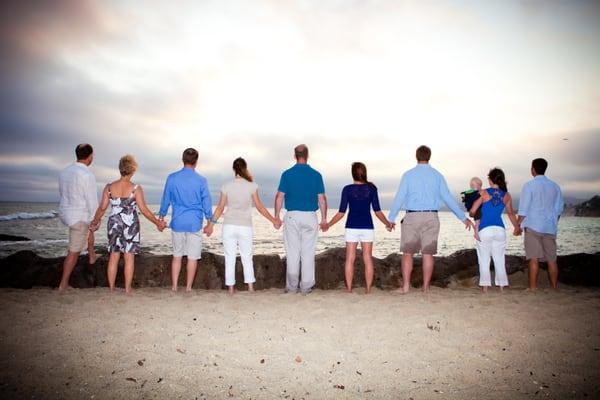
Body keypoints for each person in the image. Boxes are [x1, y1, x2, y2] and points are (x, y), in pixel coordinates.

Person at [388, 145, 474, 294]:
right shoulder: (437, 176)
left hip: (412, 216)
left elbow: (399, 197)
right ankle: (426, 288)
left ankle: (406, 287)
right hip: (431, 217)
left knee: (407, 253)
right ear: (429, 157)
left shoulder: (408, 175)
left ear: (417, 156)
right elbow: (448, 197)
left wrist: (391, 218)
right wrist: (462, 218)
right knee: (428, 254)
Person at [90, 155, 166, 293]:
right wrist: (157, 222)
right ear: (132, 170)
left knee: (114, 256)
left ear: (120, 169)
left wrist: (95, 222)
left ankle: (112, 289)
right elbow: (144, 210)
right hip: (130, 225)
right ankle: (127, 289)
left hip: (114, 223)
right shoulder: (136, 188)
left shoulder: (109, 187)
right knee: (129, 257)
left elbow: (102, 208)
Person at [211, 157, 282, 294]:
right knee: (247, 257)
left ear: (234, 169)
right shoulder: (252, 186)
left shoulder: (226, 186)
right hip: (245, 226)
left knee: (229, 257)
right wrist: (273, 220)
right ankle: (250, 288)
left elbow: (220, 208)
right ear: (245, 168)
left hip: (229, 226)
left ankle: (231, 289)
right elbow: (260, 207)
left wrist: (211, 225)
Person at [327, 162, 393, 294]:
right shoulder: (372, 189)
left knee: (349, 258)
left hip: (351, 226)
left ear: (353, 174)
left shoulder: (347, 189)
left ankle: (349, 289)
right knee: (367, 258)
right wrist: (388, 223)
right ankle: (368, 290)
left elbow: (341, 212)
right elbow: (377, 211)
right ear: (364, 173)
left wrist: (329, 224)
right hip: (367, 227)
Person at [275, 144, 327, 294]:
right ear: (307, 155)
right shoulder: (316, 175)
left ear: (295, 156)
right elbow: (321, 199)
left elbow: (279, 196)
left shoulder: (287, 174)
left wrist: (276, 217)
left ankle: (291, 287)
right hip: (310, 216)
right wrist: (324, 219)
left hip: (292, 216)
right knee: (308, 253)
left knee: (292, 253)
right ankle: (305, 286)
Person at [159, 148, 214, 292]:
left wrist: (161, 216)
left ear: (183, 160)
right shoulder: (201, 180)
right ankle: (188, 288)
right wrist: (210, 221)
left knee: (177, 255)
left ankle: (174, 286)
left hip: (177, 221)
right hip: (194, 223)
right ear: (196, 162)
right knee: (192, 257)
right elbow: (206, 202)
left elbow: (166, 198)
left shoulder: (172, 178)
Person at [469, 168, 521, 292]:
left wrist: (472, 213)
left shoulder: (484, 193)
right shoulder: (507, 195)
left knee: (484, 259)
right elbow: (511, 214)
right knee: (499, 258)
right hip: (500, 230)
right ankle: (502, 286)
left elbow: (472, 211)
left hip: (485, 230)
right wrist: (517, 227)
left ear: (491, 179)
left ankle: (485, 287)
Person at [517, 158, 564, 290]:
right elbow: (559, 208)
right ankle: (554, 287)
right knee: (552, 259)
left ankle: (533, 288)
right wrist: (553, 221)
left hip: (533, 226)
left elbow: (524, 209)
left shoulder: (529, 185)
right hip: (549, 227)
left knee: (533, 258)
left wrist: (518, 225)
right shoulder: (555, 186)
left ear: (533, 169)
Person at [57, 144, 99, 291]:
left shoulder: (64, 172)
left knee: (88, 227)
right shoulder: (87, 175)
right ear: (90, 156)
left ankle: (92, 254)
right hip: (78, 216)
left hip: (66, 212)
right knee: (73, 252)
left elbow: (63, 193)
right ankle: (63, 284)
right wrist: (97, 219)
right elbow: (92, 201)